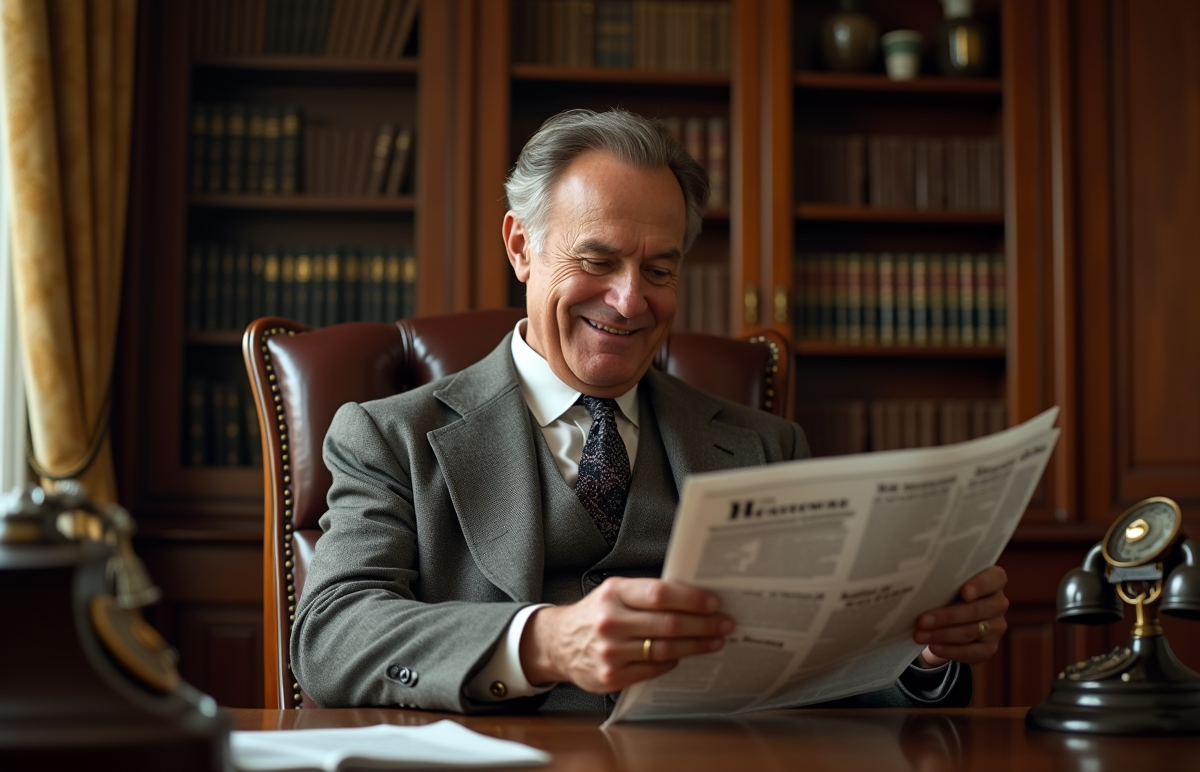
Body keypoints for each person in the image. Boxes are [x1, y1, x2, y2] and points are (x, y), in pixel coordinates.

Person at [291, 109, 1009, 713]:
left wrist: (918, 652)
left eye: (659, 269)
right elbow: (331, 636)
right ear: (521, 247)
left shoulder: (768, 447)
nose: (630, 301)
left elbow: (818, 675)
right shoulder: (389, 436)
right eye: (597, 261)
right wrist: (543, 642)